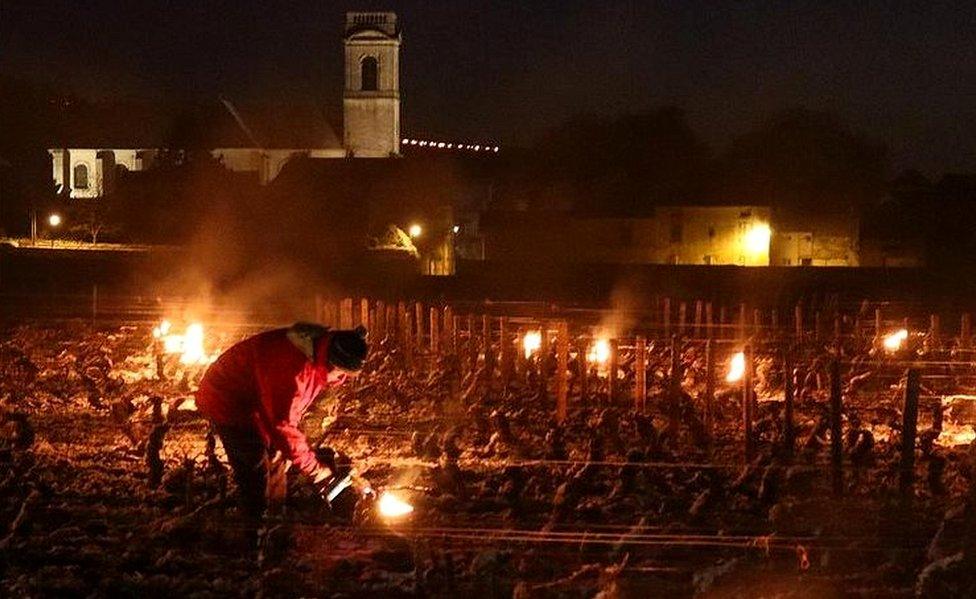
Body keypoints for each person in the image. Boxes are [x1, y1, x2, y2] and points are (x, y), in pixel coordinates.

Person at [195, 322, 368, 531]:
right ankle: (255, 537)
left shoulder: (317, 351)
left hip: (256, 399)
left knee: (277, 457)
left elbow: (285, 416)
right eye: (342, 375)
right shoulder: (294, 368)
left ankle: (274, 524)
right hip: (227, 400)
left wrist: (290, 453)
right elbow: (283, 424)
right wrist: (317, 471)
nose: (341, 381)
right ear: (332, 364)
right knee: (255, 469)